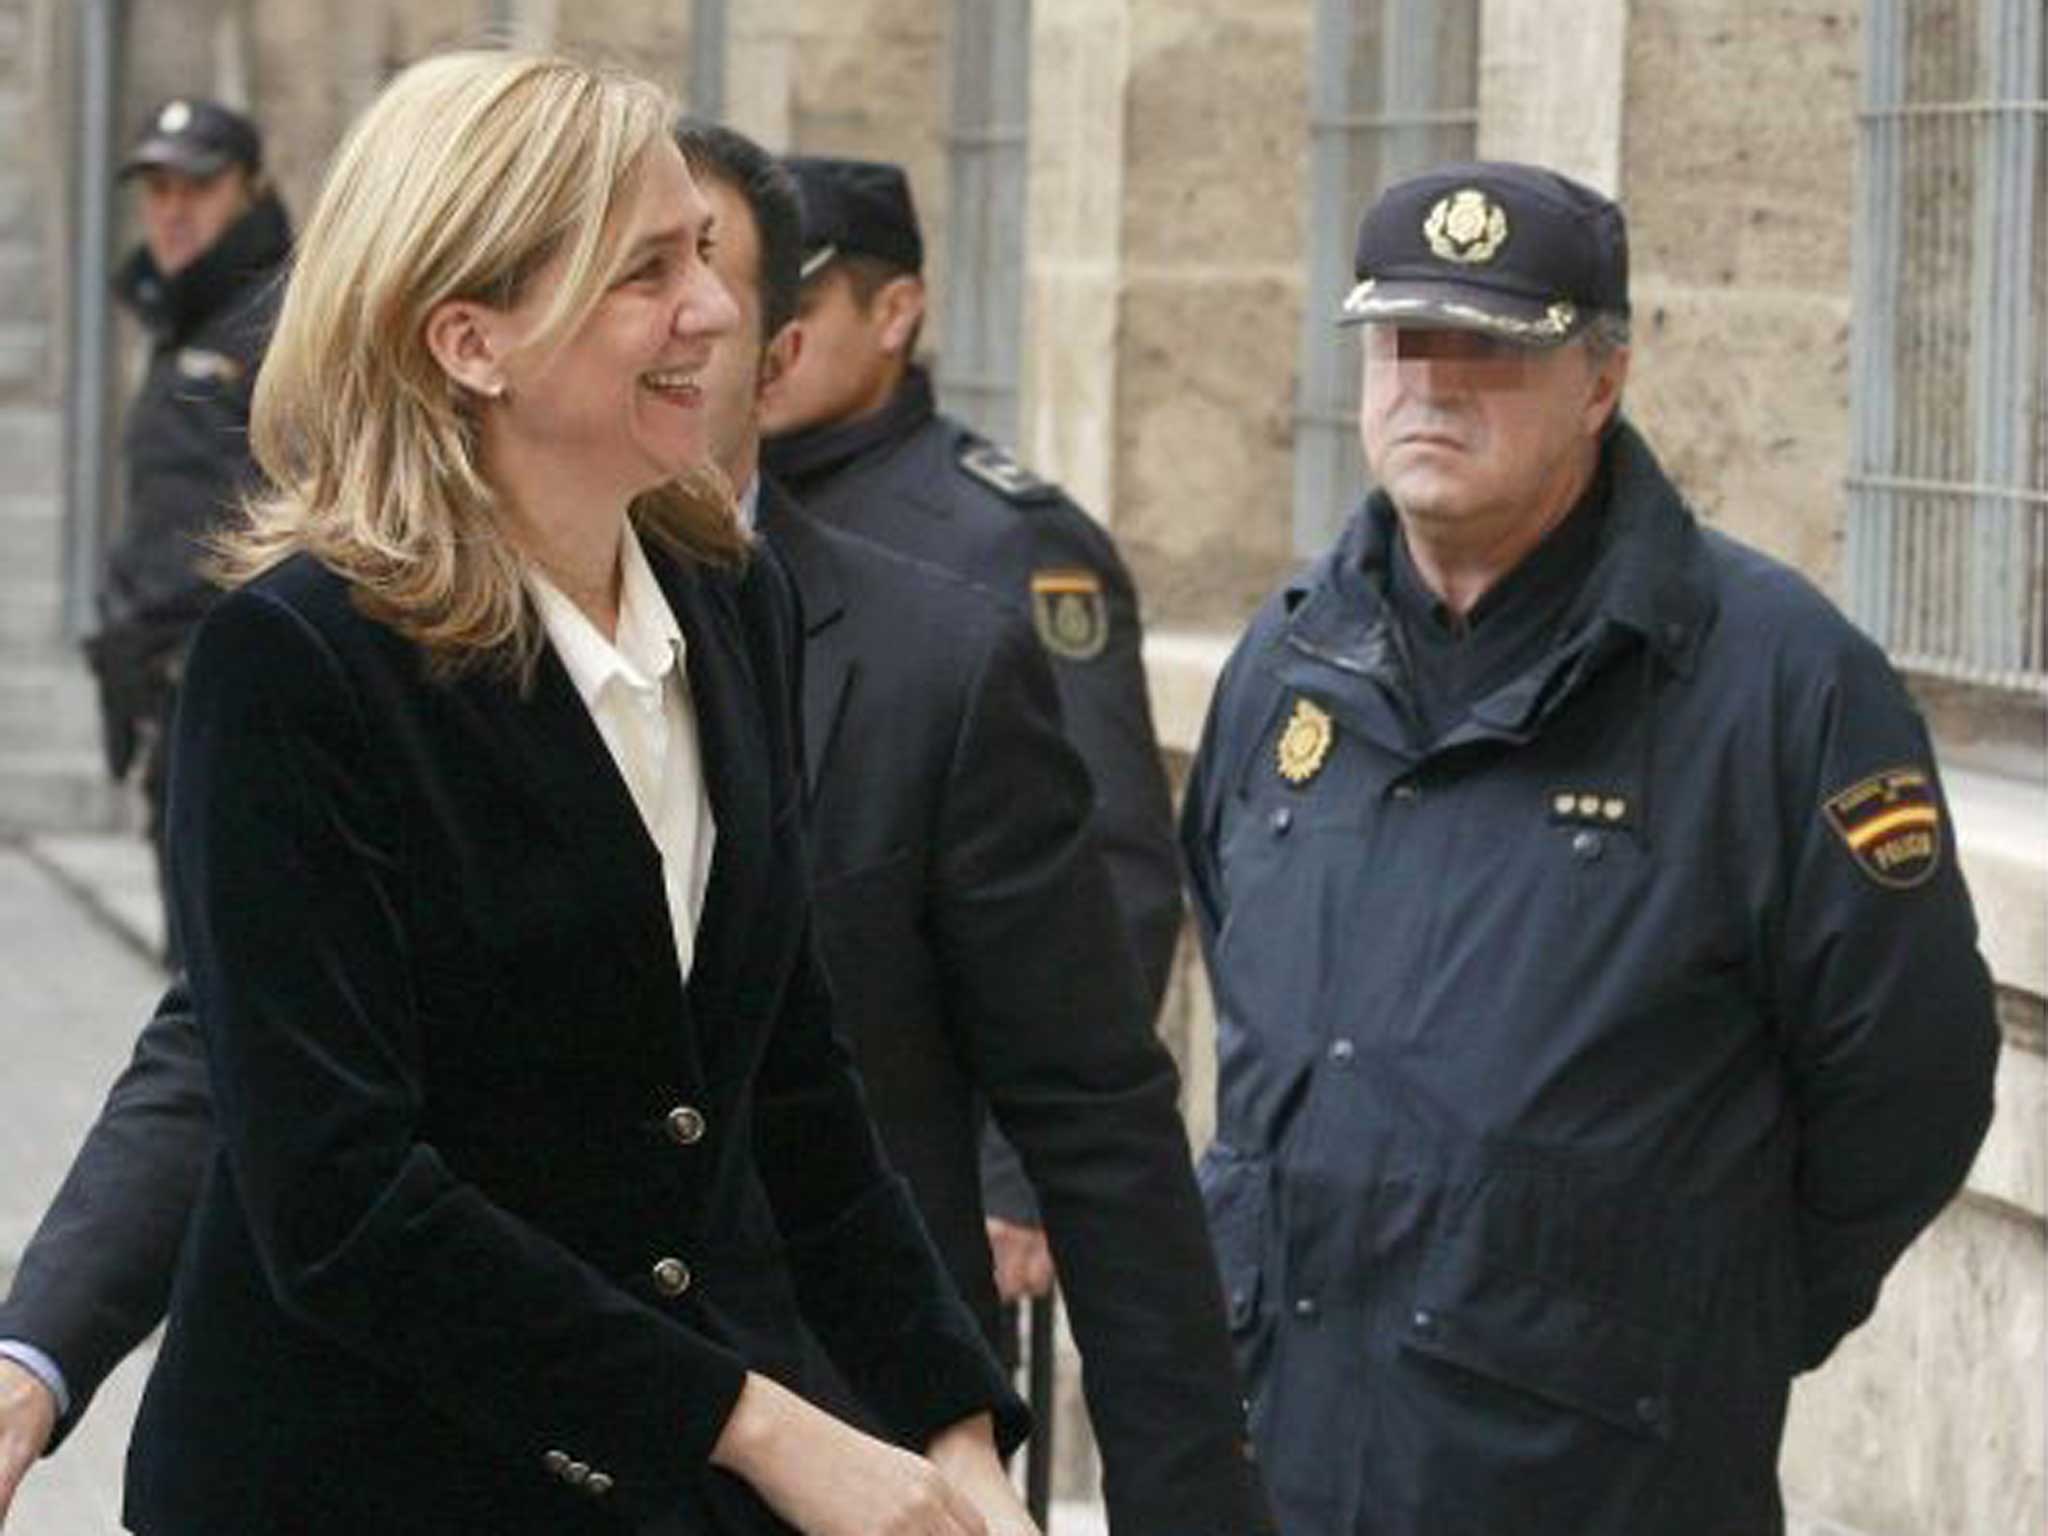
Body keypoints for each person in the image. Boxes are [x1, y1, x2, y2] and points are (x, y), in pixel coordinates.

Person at [0, 115, 1269, 1536]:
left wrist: (947, 1421)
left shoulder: (726, 600)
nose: (717, 311)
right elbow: (334, 1194)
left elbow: (792, 1072)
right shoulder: (296, 663)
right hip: (358, 1485)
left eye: (707, 258)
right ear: (472, 341)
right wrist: (764, 1429)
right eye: (645, 271)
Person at [1180, 161, 2000, 1535]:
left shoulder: (1776, 683)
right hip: (1283, 1462)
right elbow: (1240, 979)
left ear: (1601, 382)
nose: (1432, 387)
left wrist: (1700, 1326)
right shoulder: (1290, 658)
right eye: (1400, 341)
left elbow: (1908, 1080)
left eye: (1489, 350)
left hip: (1597, 1480)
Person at [759, 155, 1181, 1308]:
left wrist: (1017, 1176)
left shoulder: (1002, 539)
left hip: (917, 1151)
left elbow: (1109, 868)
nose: (761, 342)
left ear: (894, 312)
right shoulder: (706, 507)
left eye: (795, 307)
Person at [86, 97, 290, 965]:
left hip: (238, 703)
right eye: (157, 189)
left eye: (197, 188)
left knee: (228, 981)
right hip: (176, 696)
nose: (172, 212)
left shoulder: (277, 320)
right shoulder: (183, 316)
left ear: (251, 191)